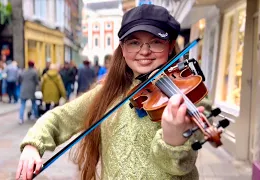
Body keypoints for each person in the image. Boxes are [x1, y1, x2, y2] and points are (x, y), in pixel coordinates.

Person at [16, 4, 204, 180]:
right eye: (134, 42)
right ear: (122, 48)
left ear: (170, 46)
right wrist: (33, 145)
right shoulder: (107, 93)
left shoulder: (188, 94)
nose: (144, 51)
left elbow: (179, 167)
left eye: (156, 42)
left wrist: (174, 139)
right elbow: (59, 117)